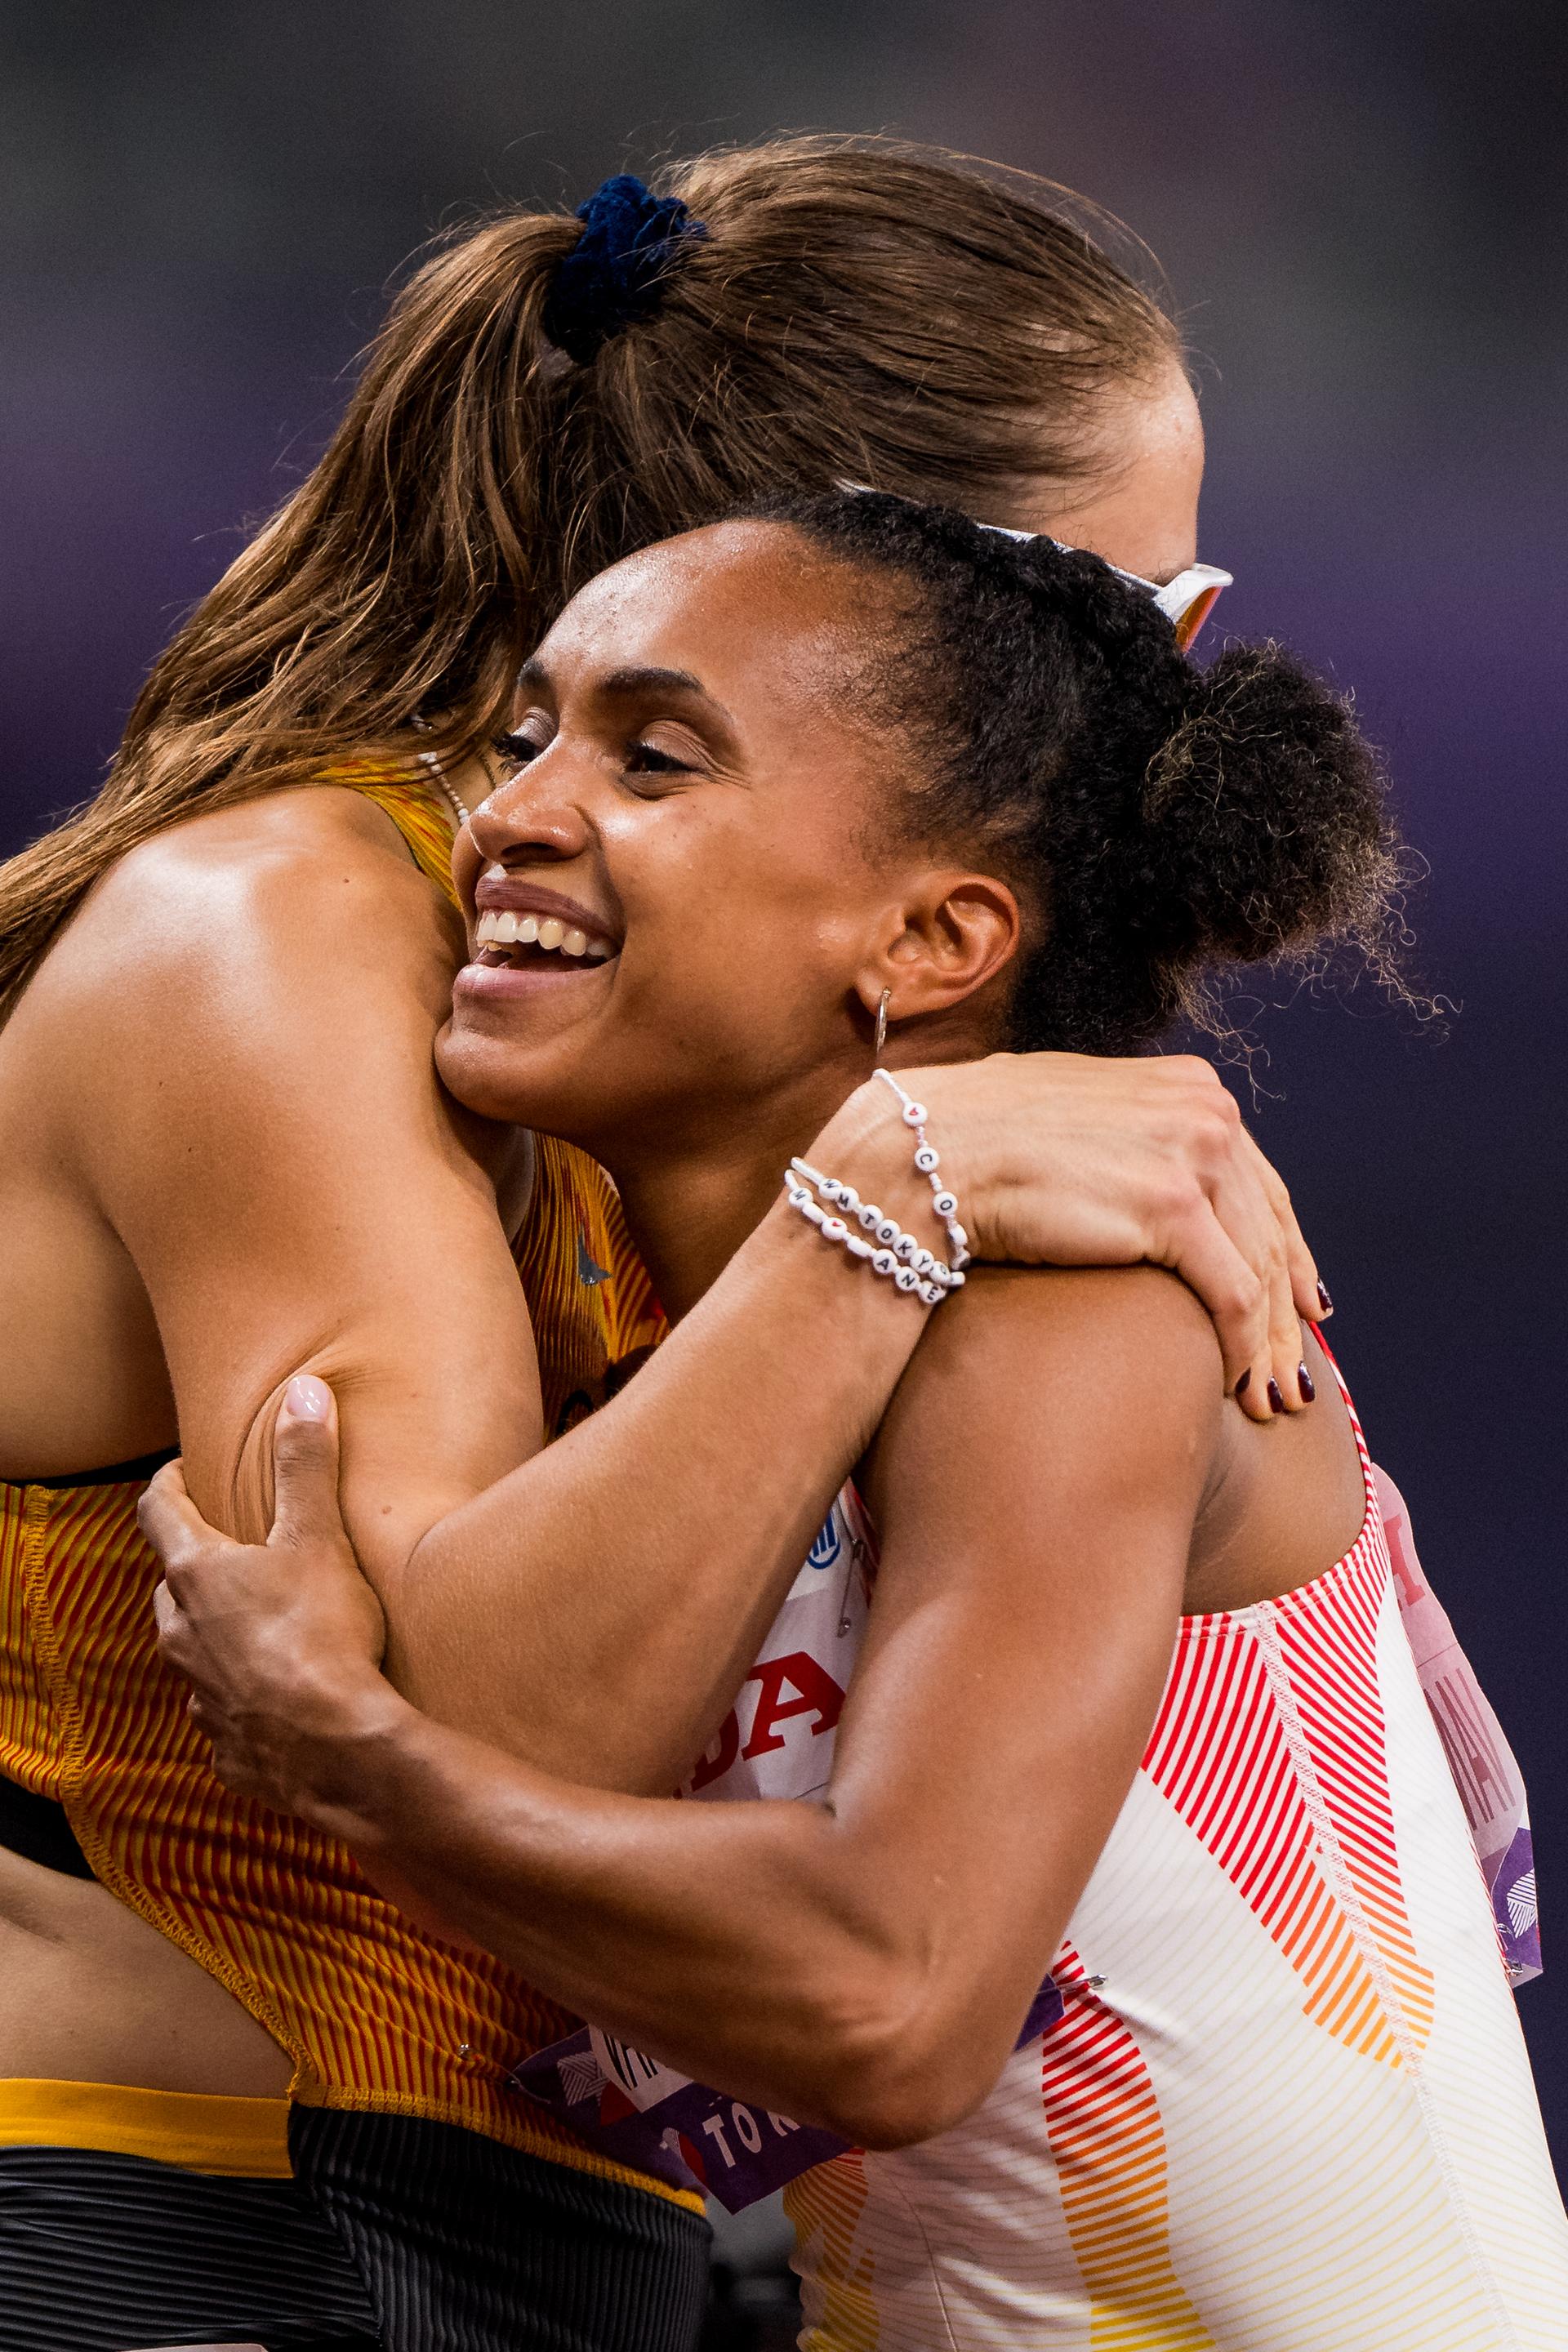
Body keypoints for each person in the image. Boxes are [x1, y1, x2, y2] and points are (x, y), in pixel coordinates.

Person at [0, 148, 1321, 2351]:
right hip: (187, 2236)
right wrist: (891, 1193)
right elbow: (481, 1725)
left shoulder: (762, 1011)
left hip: (622, 2247)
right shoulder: (293, 933)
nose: (1164, 729)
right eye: (1126, 625)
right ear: (802, 587)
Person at [149, 491, 1568, 2351]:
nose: (508, 816)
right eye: (525, 737)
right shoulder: (735, 1352)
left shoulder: (1074, 1303)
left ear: (935, 936)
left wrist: (353, 1762)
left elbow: (893, 2002)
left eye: (654, 759)